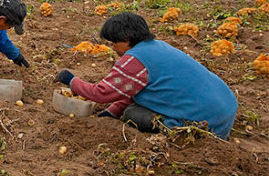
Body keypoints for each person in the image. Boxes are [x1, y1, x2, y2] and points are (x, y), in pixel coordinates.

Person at [55, 12, 237, 139]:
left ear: (126, 39)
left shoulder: (135, 61)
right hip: (224, 109)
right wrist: (111, 112)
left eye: (113, 43)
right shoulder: (157, 46)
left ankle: (177, 126)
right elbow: (132, 90)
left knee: (134, 113)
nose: (112, 48)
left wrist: (71, 80)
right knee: (134, 103)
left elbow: (101, 94)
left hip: (206, 123)